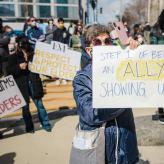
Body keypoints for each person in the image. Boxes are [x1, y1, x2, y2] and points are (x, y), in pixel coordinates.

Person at [73, 24, 139, 164]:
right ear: (89, 50)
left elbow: (145, 86)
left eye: (107, 41)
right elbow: (92, 114)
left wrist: (136, 53)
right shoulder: (82, 79)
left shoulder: (123, 69)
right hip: (100, 153)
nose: (104, 45)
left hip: (126, 150)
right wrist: (125, 99)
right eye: (97, 42)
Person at [6, 35, 51, 133]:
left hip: (34, 82)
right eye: (22, 45)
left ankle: (46, 124)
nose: (24, 47)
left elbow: (42, 66)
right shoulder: (13, 56)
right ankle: (29, 127)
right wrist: (19, 67)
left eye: (26, 44)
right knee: (25, 108)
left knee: (40, 105)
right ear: (18, 45)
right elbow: (8, 70)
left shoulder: (34, 54)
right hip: (22, 84)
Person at [150, 9, 164, 123]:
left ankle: (161, 112)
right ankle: (161, 113)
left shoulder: (155, 31)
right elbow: (153, 47)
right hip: (159, 64)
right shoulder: (155, 31)